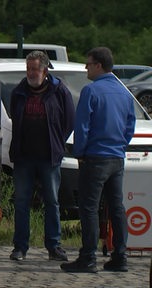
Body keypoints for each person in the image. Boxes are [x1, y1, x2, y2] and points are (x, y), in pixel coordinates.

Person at [61, 47, 135, 273]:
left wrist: (80, 153)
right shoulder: (124, 92)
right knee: (116, 206)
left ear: (99, 66)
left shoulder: (91, 91)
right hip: (116, 156)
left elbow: (82, 126)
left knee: (89, 208)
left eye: (88, 63)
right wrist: (121, 145)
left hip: (95, 157)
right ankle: (120, 256)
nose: (86, 67)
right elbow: (130, 125)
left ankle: (88, 257)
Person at [8, 50, 75, 262]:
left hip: (49, 158)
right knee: (21, 202)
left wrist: (56, 142)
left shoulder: (59, 91)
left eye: (34, 69)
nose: (30, 73)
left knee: (52, 202)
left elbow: (69, 122)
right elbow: (14, 116)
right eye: (28, 68)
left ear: (44, 70)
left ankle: (54, 246)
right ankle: (20, 247)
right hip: (24, 157)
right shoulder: (19, 91)